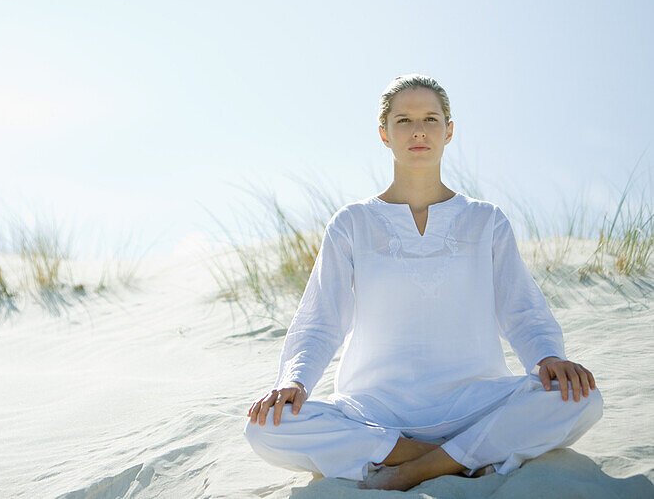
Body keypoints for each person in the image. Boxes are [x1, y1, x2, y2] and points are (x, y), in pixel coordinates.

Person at [242, 74, 603, 491]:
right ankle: (446, 456)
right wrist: (294, 379)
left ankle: (418, 468)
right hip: (376, 410)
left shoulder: (485, 220)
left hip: (474, 402)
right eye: (403, 121)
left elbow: (519, 308)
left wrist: (546, 358)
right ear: (384, 134)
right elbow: (322, 318)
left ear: (449, 131)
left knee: (582, 400)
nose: (418, 131)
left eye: (431, 119)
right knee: (266, 427)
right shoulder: (352, 223)